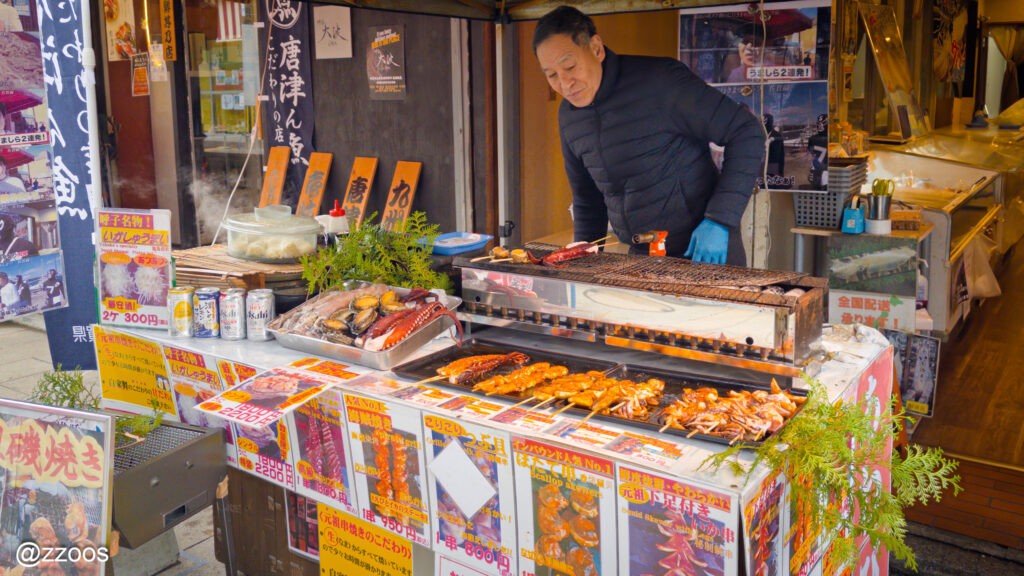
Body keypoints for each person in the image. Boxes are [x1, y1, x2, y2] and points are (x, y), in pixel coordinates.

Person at [534, 7, 764, 265]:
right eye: (552, 75)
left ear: (596, 48)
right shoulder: (569, 116)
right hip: (644, 255)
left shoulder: (661, 81)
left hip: (704, 249)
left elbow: (746, 132)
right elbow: (587, 198)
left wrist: (720, 220)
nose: (565, 83)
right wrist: (583, 258)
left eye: (570, 66)